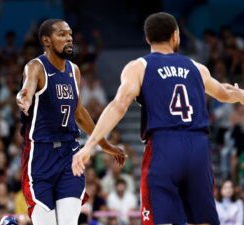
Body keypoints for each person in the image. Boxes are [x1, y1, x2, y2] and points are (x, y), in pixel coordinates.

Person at [72, 12, 244, 225]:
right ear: (175, 35)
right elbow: (224, 92)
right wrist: (240, 95)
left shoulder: (139, 67)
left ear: (147, 39)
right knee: (202, 220)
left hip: (164, 146)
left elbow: (119, 105)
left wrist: (90, 145)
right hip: (198, 147)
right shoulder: (197, 68)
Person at [16, 19, 126, 225]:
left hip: (70, 154)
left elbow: (80, 112)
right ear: (46, 40)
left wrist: (105, 145)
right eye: (62, 34)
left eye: (70, 35)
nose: (69, 39)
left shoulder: (74, 70)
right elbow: (28, 87)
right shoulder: (36, 67)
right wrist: (25, 96)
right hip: (41, 156)